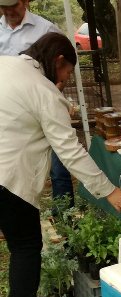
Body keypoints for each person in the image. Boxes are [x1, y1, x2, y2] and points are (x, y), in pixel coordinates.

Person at [0, 32, 121, 297]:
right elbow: (70, 151)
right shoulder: (43, 90)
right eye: (65, 72)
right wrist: (108, 190)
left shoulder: (6, 65)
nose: (64, 79)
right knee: (25, 246)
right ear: (58, 60)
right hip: (8, 177)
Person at [0, 0, 75, 212]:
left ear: (26, 2)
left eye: (13, 5)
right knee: (16, 167)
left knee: (60, 165)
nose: (8, 11)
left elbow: (64, 66)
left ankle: (63, 215)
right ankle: (12, 215)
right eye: (3, 6)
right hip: (14, 116)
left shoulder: (46, 29)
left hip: (44, 106)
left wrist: (54, 98)